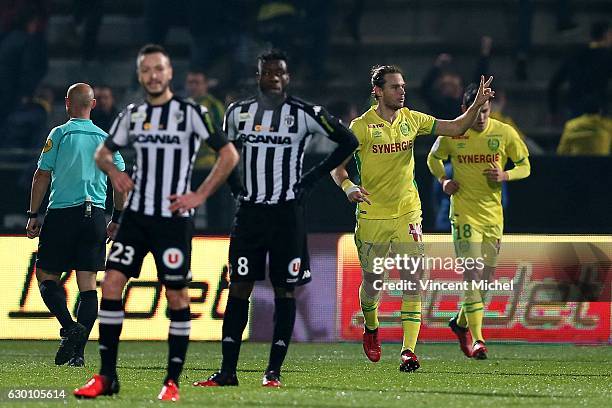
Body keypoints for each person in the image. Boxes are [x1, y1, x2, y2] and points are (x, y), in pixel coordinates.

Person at [73, 44, 239, 401]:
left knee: (177, 295)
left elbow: (229, 154)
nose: (153, 75)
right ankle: (106, 377)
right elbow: (103, 152)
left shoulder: (191, 113)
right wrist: (115, 172)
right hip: (137, 216)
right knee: (112, 285)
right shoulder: (132, 114)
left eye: (158, 69)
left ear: (169, 74)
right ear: (140, 75)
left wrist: (200, 194)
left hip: (174, 220)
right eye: (146, 69)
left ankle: (172, 380)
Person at [193, 50, 357, 388]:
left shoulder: (305, 113)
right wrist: (237, 188)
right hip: (250, 214)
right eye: (268, 73)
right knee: (238, 288)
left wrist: (311, 178)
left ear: (288, 77)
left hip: (286, 214)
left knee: (285, 291)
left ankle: (273, 372)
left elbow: (348, 141)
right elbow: (228, 155)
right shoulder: (238, 113)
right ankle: (228, 371)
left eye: (280, 73)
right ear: (259, 77)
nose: (275, 78)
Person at [331, 65, 495, 372]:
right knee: (373, 282)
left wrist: (476, 104)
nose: (402, 91)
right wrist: (349, 187)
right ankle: (371, 327)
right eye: (395, 87)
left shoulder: (412, 119)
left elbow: (457, 126)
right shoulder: (360, 127)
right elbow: (336, 167)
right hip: (372, 216)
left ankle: (408, 351)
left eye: (403, 86)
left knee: (414, 279)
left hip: (408, 211)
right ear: (377, 91)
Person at [25, 82, 126, 367]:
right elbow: (120, 184)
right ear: (93, 105)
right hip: (94, 216)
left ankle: (70, 328)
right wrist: (116, 218)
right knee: (88, 285)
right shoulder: (107, 139)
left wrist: (33, 214)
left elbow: (41, 175)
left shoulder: (59, 133)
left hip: (62, 214)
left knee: (46, 276)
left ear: (67, 103)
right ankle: (78, 354)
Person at [427, 83, 531, 359]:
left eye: (485, 111)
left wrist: (506, 175)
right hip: (463, 213)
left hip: (493, 216)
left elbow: (525, 166)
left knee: (485, 280)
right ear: (465, 110)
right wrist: (444, 180)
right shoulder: (454, 132)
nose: (482, 117)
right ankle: (479, 339)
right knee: (472, 275)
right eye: (477, 112)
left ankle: (460, 324)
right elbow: (433, 158)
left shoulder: (504, 132)